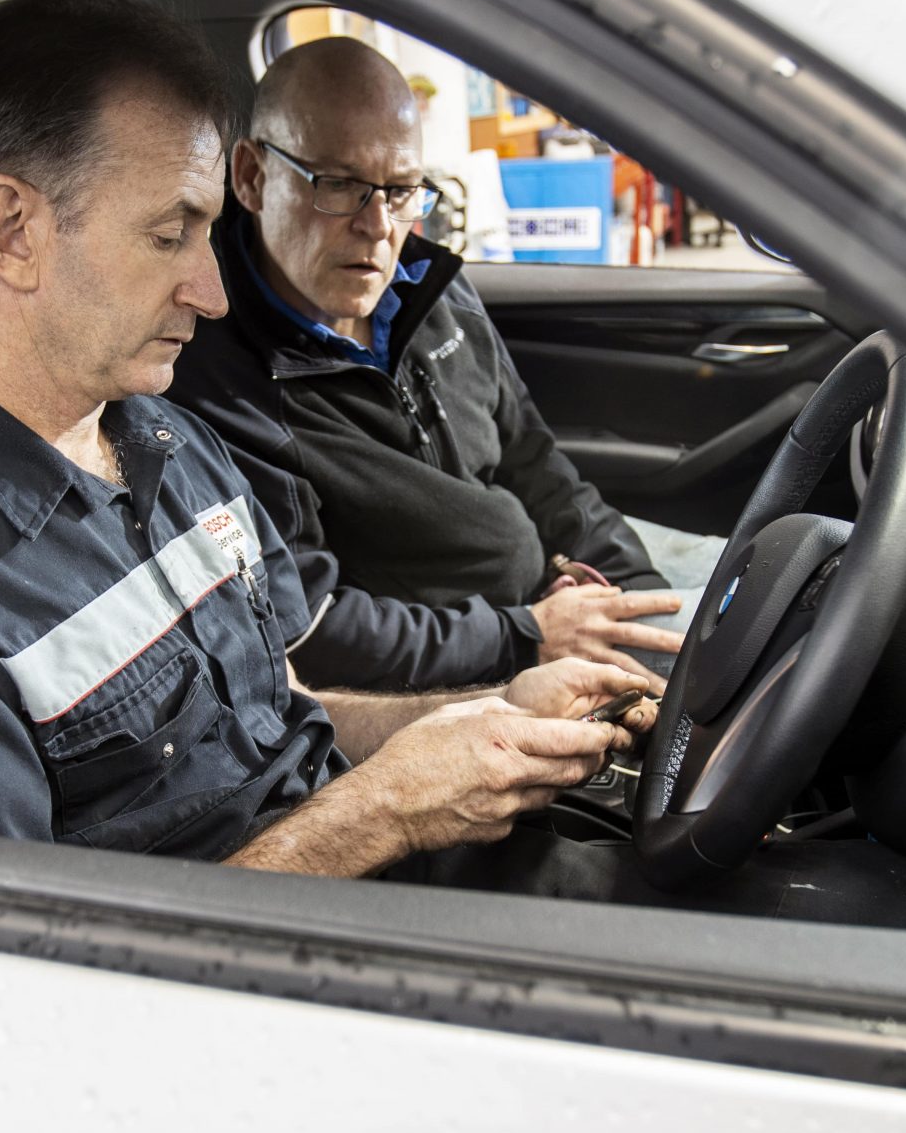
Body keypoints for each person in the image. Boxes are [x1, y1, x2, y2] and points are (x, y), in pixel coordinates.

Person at [0, 0, 653, 879]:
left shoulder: (168, 442)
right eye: (171, 234)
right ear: (12, 230)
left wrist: (489, 714)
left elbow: (284, 709)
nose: (212, 292)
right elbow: (14, 987)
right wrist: (386, 809)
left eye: (209, 235)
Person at [166, 36, 728, 692]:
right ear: (252, 178)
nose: (379, 225)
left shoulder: (428, 287)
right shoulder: (216, 378)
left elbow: (536, 462)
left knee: (784, 573)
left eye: (402, 190)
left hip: (554, 591)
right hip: (478, 662)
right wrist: (528, 634)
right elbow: (312, 624)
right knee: (773, 644)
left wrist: (633, 592)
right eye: (340, 184)